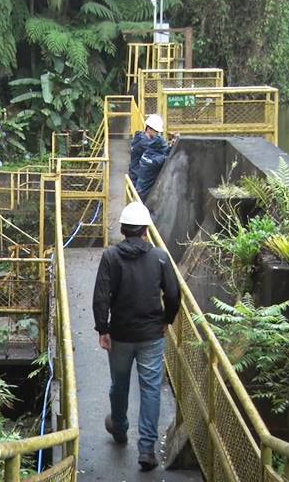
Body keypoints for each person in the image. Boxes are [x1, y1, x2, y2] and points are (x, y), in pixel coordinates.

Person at [92, 201, 182, 471]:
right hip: (152, 335)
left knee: (119, 384)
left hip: (120, 335)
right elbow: (174, 294)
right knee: (151, 389)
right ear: (145, 230)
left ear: (122, 229)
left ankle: (119, 428)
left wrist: (103, 329)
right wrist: (167, 320)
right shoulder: (160, 257)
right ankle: (146, 450)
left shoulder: (110, 257)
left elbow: (100, 296)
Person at [129, 114, 177, 202]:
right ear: (149, 129)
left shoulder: (150, 138)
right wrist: (170, 146)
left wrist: (171, 144)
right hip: (137, 177)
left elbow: (161, 146)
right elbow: (157, 151)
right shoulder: (142, 142)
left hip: (142, 177)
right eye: (156, 131)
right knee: (139, 201)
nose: (158, 134)